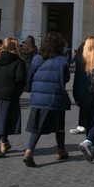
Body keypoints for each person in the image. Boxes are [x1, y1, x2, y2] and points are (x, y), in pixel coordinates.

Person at [22, 32, 71, 167]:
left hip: (38, 96)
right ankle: (61, 150)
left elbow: (31, 76)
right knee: (59, 125)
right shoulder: (62, 61)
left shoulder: (37, 58)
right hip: (55, 96)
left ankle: (29, 151)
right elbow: (66, 78)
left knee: (36, 126)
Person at [0, 37, 27, 159]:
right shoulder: (18, 62)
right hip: (9, 94)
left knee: (1, 119)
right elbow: (20, 79)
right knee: (2, 121)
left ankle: (5, 143)